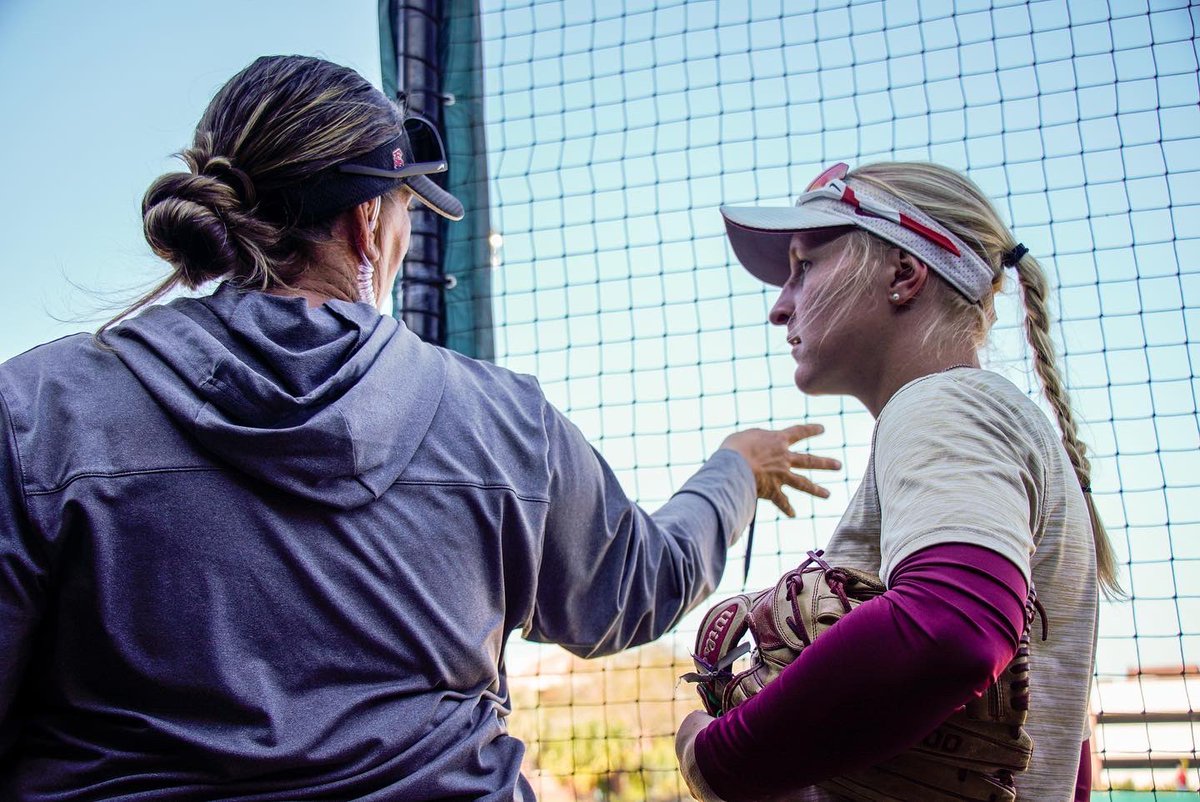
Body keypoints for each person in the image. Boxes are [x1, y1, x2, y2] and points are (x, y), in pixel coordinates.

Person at [0, 56, 840, 800]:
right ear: (369, 223)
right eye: (406, 212)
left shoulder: (38, 404)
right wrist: (736, 470)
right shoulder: (509, 424)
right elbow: (638, 588)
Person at [675, 162, 1113, 801]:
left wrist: (717, 757)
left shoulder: (942, 405)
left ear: (904, 275)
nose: (780, 306)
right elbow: (1064, 751)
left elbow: (952, 628)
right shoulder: (990, 422)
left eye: (804, 267)